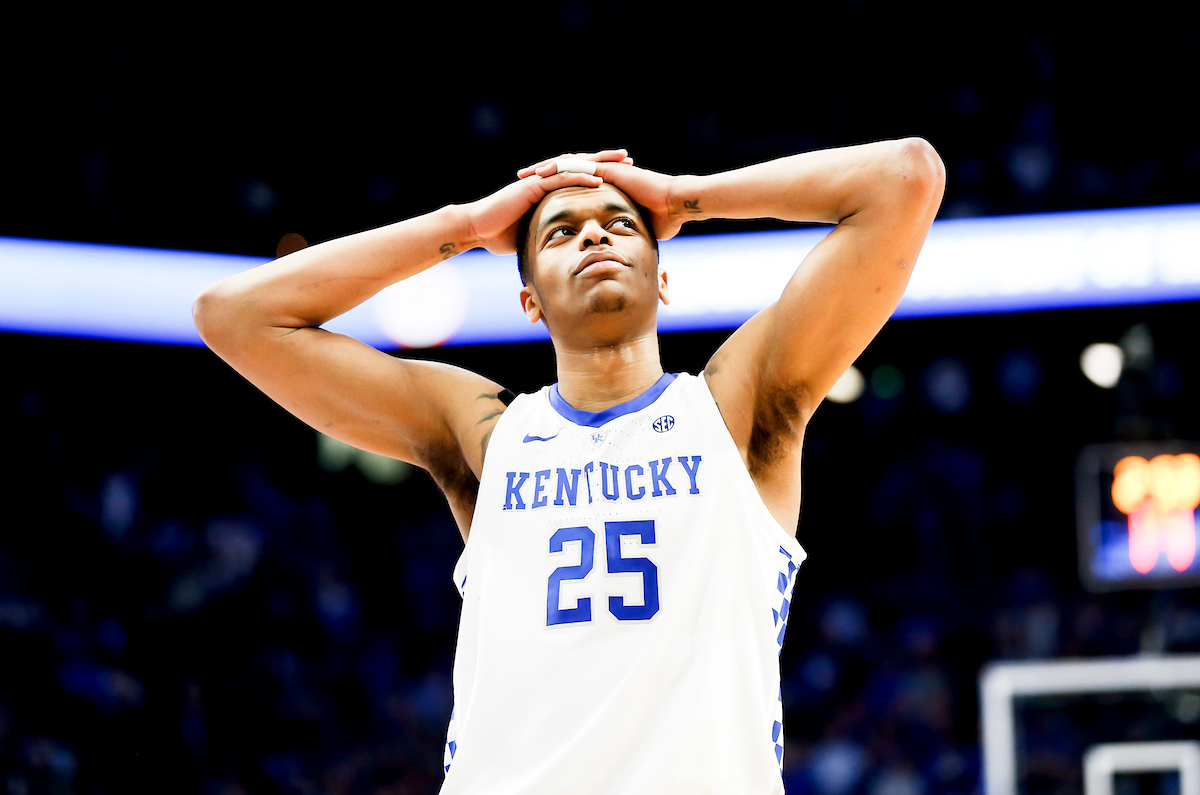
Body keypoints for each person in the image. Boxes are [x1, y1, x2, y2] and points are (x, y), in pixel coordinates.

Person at [193, 139, 945, 793]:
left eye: (621, 224)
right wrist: (465, 225)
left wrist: (687, 195)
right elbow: (232, 315)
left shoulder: (736, 412)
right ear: (528, 299)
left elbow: (905, 178)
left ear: (663, 277)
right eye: (560, 232)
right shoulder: (483, 435)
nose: (595, 236)